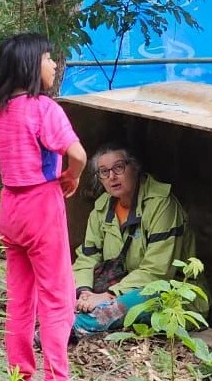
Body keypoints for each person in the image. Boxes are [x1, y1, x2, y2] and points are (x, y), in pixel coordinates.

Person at [0, 33, 87, 381]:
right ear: (31, 65)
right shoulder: (44, 108)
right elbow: (77, 153)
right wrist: (73, 176)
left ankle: (19, 377)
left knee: (19, 297)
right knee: (57, 296)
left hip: (10, 207)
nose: (53, 65)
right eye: (48, 58)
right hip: (41, 204)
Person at [72, 143, 201, 336]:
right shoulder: (102, 207)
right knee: (60, 285)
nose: (112, 177)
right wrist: (84, 292)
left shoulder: (161, 204)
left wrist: (110, 295)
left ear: (135, 167)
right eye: (104, 172)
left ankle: (73, 327)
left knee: (134, 300)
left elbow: (157, 272)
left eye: (118, 168)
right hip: (114, 286)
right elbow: (87, 257)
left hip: (168, 293)